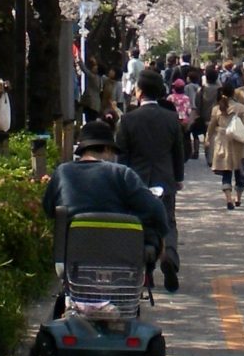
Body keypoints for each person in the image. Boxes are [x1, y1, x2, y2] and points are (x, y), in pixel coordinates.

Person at [42, 119, 170, 284]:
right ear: (108, 149)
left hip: (74, 252)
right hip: (120, 254)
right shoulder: (122, 173)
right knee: (151, 230)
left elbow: (48, 208)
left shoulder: (62, 172)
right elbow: (155, 209)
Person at [114, 70, 186, 290]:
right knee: (168, 222)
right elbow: (178, 152)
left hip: (137, 181)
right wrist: (178, 178)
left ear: (140, 92)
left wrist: (121, 182)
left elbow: (122, 155)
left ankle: (147, 273)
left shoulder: (128, 119)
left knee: (139, 224)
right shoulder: (171, 118)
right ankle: (170, 256)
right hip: (165, 179)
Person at [206, 79, 244, 208]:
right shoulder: (240, 107)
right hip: (239, 141)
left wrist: (207, 139)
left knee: (226, 171)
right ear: (234, 93)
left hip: (223, 141)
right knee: (239, 171)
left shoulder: (217, 108)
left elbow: (211, 125)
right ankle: (238, 198)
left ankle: (228, 199)